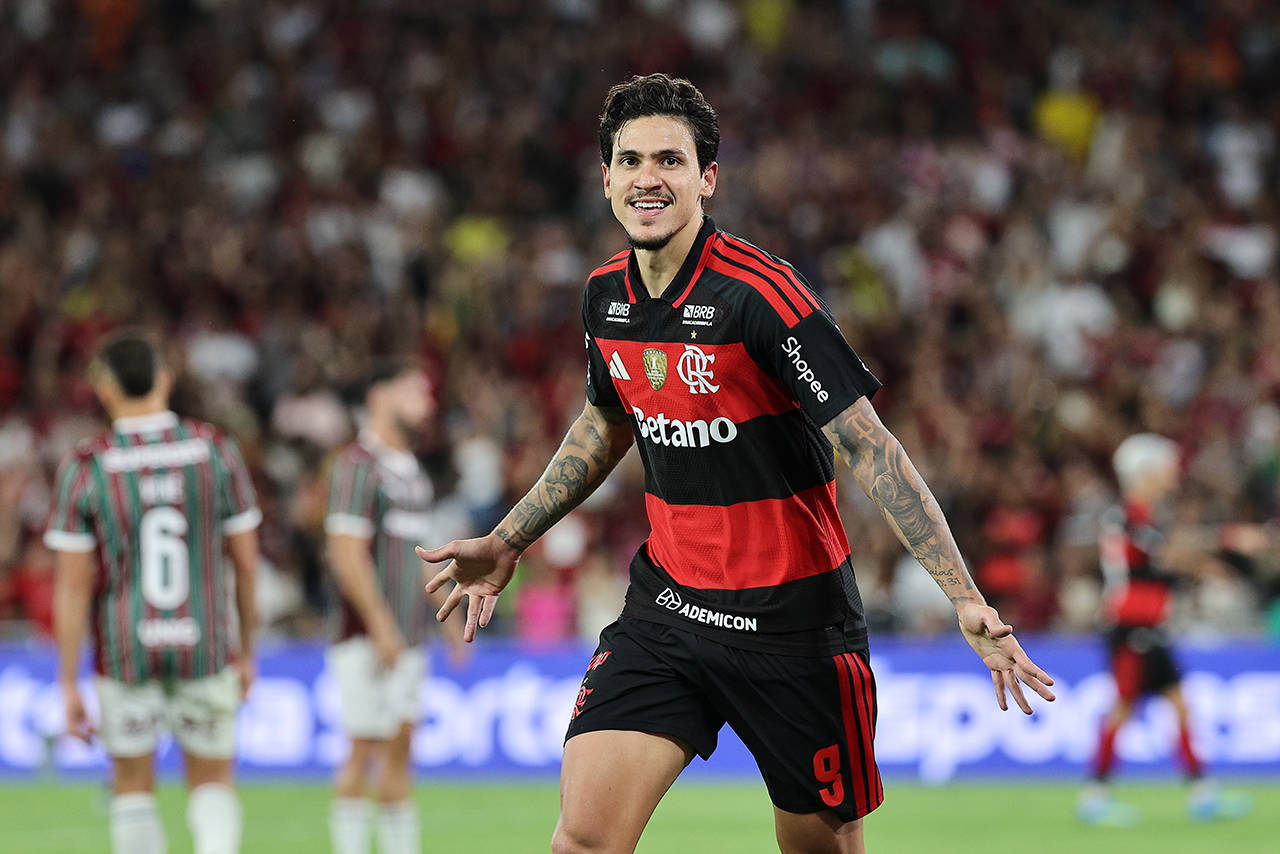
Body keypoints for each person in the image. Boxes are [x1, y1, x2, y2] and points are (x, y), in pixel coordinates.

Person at [418, 73, 1055, 854]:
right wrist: (509, 537)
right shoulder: (604, 298)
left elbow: (869, 445)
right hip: (668, 611)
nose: (648, 177)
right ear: (606, 179)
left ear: (707, 178)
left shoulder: (762, 296)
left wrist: (964, 597)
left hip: (795, 625)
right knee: (582, 842)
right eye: (630, 160)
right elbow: (606, 425)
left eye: (671, 160)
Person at [46, 330, 261, 854]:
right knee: (213, 779)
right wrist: (246, 649)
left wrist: (68, 679)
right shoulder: (214, 449)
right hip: (205, 644)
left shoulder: (87, 463)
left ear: (104, 388)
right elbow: (245, 563)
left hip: (126, 647)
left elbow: (73, 584)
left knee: (131, 785)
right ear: (165, 378)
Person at [324, 361, 467, 854]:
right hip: (364, 636)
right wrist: (380, 625)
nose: (426, 403)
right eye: (414, 392)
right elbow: (346, 554)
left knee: (402, 750)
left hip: (409, 635)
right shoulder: (357, 465)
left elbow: (420, 557)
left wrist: (449, 617)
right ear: (379, 396)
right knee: (363, 747)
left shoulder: (413, 472)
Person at [1077, 433, 1253, 826]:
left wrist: (1209, 565)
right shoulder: (1127, 516)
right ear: (1144, 472)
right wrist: (1227, 541)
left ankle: (1202, 794)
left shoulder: (1143, 516)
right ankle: (1094, 798)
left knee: (1179, 706)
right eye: (1165, 467)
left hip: (1149, 627)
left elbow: (1166, 558)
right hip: (1131, 627)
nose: (1172, 474)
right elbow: (1169, 552)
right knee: (1123, 709)